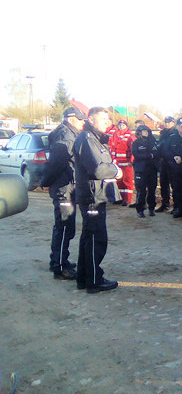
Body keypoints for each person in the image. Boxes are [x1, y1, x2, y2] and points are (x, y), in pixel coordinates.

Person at [73, 107, 122, 293]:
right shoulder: (86, 139)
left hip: (96, 195)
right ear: (91, 119)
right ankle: (94, 280)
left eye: (107, 119)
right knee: (96, 238)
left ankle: (84, 278)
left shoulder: (94, 139)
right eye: (102, 118)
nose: (106, 122)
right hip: (92, 196)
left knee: (89, 237)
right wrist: (116, 171)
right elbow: (97, 169)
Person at [41, 107, 86, 280]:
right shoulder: (66, 135)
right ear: (71, 118)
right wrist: (46, 182)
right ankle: (59, 266)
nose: (83, 122)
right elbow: (57, 163)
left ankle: (59, 260)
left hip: (66, 186)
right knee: (65, 226)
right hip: (63, 188)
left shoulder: (68, 133)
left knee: (65, 226)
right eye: (80, 119)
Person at [131, 125, 159, 218]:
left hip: (151, 169)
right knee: (141, 191)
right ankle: (140, 209)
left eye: (147, 131)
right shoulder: (136, 143)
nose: (145, 133)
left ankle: (151, 208)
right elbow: (136, 155)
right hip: (141, 170)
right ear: (139, 132)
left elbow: (155, 153)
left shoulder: (152, 141)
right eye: (143, 131)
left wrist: (149, 155)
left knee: (152, 190)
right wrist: (148, 156)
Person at [109, 119, 135, 206]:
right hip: (117, 162)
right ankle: (119, 198)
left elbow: (133, 149)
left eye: (123, 125)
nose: (121, 126)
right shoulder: (115, 135)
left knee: (127, 181)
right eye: (120, 125)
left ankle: (127, 199)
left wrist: (131, 160)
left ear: (126, 126)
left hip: (126, 163)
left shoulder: (130, 136)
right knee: (118, 181)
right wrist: (112, 159)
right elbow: (112, 148)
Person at [155, 116, 177, 212]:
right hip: (163, 161)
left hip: (171, 161)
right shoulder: (163, 132)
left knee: (174, 184)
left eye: (169, 122)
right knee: (163, 184)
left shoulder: (175, 132)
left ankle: (176, 205)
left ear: (173, 123)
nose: (167, 123)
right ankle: (165, 204)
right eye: (166, 122)